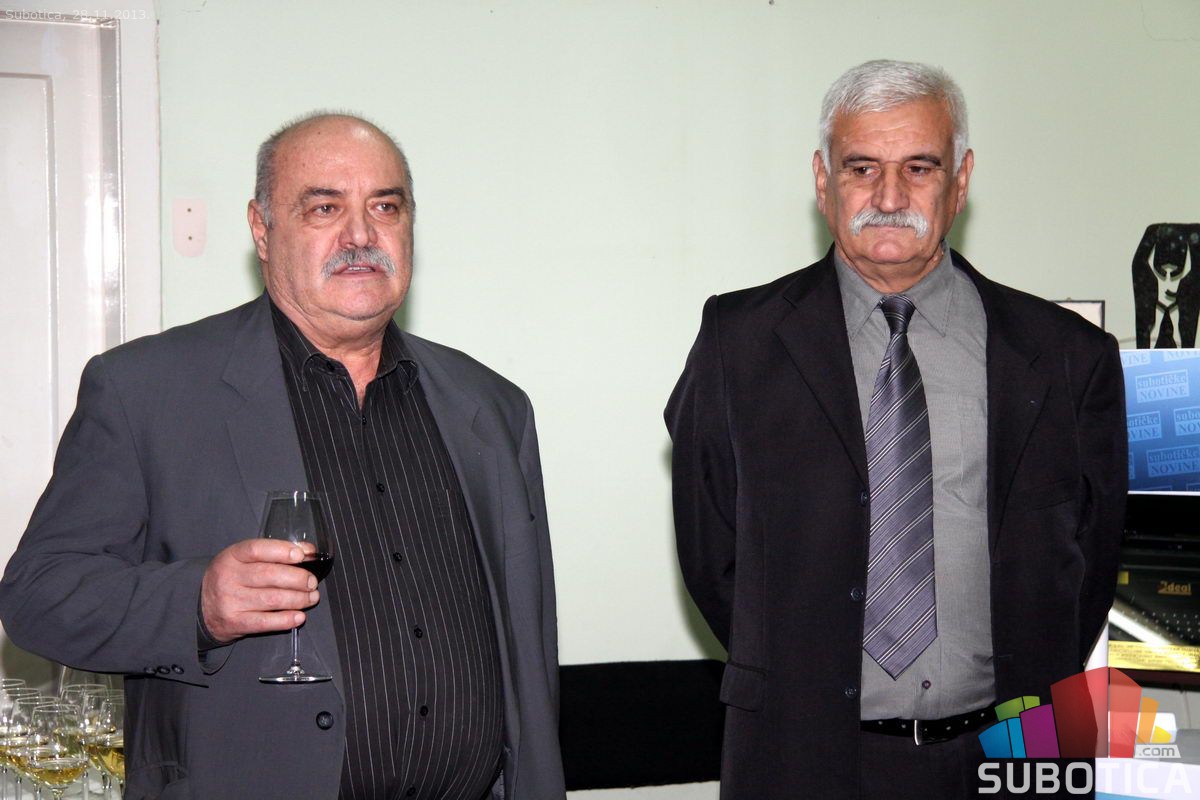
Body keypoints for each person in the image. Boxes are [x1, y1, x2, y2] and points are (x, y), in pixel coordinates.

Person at [0, 113, 565, 800]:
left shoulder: (493, 407)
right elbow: (39, 594)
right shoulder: (145, 389)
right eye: (325, 208)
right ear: (262, 230)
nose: (361, 235)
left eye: (385, 207)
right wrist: (198, 603)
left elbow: (528, 648)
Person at [666, 60, 1126, 798]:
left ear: (961, 180)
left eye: (918, 167)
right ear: (823, 180)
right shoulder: (738, 342)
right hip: (803, 755)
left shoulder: (1067, 355)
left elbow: (1092, 560)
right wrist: (799, 674)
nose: (888, 197)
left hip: (1013, 753)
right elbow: (712, 552)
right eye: (861, 169)